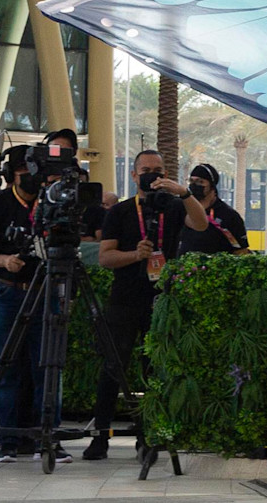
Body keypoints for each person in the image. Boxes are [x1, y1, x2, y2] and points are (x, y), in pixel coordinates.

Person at [85, 150, 208, 460]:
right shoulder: (121, 211)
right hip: (124, 299)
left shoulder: (174, 206)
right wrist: (134, 256)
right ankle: (100, 436)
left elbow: (202, 223)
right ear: (134, 175)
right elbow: (104, 258)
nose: (151, 175)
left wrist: (183, 192)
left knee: (154, 369)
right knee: (114, 367)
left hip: (161, 300)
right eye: (145, 170)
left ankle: (149, 437)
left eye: (158, 169)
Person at [0, 146, 46, 462]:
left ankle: (44, 437)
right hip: (5, 292)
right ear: (11, 176)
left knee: (44, 366)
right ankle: (8, 439)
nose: (30, 179)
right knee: (5, 366)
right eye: (23, 173)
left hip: (43, 290)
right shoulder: (0, 203)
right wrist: (5, 261)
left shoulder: (51, 202)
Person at [175, 163, 248, 256]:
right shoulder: (182, 208)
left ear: (212, 185)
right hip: (183, 267)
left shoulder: (229, 215)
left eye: (200, 182)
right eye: (191, 181)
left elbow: (241, 251)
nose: (194, 185)